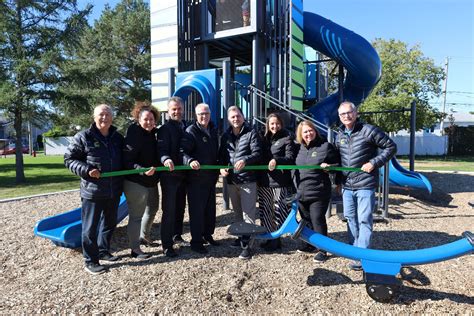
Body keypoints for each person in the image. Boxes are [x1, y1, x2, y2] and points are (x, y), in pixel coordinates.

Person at [336, 101, 397, 270]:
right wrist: (337, 180)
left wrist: (374, 162)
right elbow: (338, 158)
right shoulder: (339, 135)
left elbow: (391, 146)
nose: (346, 116)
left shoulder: (368, 130)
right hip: (347, 185)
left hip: (365, 183)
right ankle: (355, 250)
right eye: (342, 114)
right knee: (350, 218)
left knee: (364, 219)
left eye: (349, 112)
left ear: (355, 113)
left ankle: (362, 255)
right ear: (339, 117)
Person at [64, 104, 124, 275]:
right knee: (90, 228)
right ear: (94, 117)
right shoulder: (83, 137)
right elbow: (69, 159)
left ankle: (104, 251)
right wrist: (87, 170)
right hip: (93, 191)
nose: (104, 118)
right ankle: (90, 261)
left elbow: (126, 159)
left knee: (110, 223)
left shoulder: (117, 138)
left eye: (107, 114)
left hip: (113, 190)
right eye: (101, 114)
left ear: (112, 117)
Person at [294, 120, 341, 263]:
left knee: (317, 219)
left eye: (310, 130)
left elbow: (338, 164)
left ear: (315, 130)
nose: (308, 134)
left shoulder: (325, 146)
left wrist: (330, 167)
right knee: (306, 220)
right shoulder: (299, 148)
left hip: (319, 191)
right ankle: (309, 244)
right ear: (301, 135)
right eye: (305, 132)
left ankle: (322, 249)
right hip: (302, 191)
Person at [219, 105, 262, 260]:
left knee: (248, 213)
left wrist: (245, 160)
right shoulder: (225, 136)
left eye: (238, 116)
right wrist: (222, 169)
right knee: (237, 212)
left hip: (247, 180)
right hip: (232, 180)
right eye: (232, 117)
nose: (235, 119)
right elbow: (222, 157)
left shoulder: (251, 133)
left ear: (243, 117)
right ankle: (241, 237)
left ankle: (248, 245)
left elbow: (257, 153)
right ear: (229, 119)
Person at [122, 101, 160, 260]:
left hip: (151, 180)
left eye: (152, 119)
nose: (149, 122)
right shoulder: (134, 133)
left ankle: (144, 236)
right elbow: (127, 159)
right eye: (146, 119)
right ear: (138, 118)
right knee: (136, 215)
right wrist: (142, 170)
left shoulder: (153, 133)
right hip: (136, 180)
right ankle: (135, 249)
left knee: (153, 209)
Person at [181, 103, 220, 254]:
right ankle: (196, 241)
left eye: (206, 113)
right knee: (197, 211)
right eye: (201, 114)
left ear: (210, 114)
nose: (204, 116)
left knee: (210, 210)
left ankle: (207, 235)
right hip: (196, 179)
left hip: (210, 178)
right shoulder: (191, 131)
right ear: (196, 116)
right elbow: (182, 151)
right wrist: (190, 161)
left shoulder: (213, 129)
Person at [257, 113, 297, 251]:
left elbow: (290, 158)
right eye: (272, 123)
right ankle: (269, 237)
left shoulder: (287, 137)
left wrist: (277, 160)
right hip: (264, 181)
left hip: (280, 182)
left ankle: (277, 239)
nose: (275, 126)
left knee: (279, 211)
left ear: (281, 124)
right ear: (268, 124)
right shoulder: (263, 138)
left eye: (277, 123)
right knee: (266, 211)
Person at [157, 96, 188, 257]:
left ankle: (177, 235)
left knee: (180, 208)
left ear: (183, 109)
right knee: (169, 210)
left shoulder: (185, 126)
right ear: (168, 111)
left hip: (183, 175)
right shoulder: (164, 129)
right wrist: (166, 159)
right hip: (169, 175)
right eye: (173, 109)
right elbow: (161, 150)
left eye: (179, 108)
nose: (177, 111)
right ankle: (167, 245)